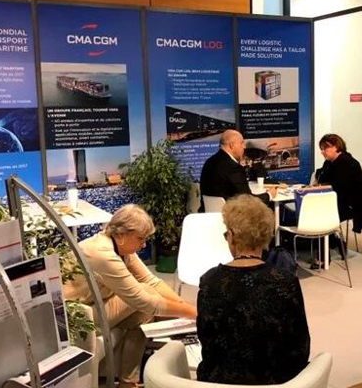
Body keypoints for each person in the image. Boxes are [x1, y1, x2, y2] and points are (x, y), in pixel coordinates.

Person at [63, 204, 197, 388]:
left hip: (96, 305)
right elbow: (143, 299)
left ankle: (128, 382)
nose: (144, 244)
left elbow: (151, 280)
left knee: (144, 313)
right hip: (77, 317)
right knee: (145, 298)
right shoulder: (101, 253)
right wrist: (194, 313)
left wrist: (183, 304)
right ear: (121, 234)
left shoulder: (120, 247)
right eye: (140, 238)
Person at [196, 195, 310, 384]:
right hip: (276, 382)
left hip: (220, 382)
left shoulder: (209, 281)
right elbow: (300, 347)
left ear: (231, 236)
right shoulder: (285, 280)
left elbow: (207, 344)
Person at [200, 129, 276, 209]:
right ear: (232, 145)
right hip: (230, 214)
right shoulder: (232, 167)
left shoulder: (209, 162)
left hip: (209, 213)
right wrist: (269, 195)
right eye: (241, 143)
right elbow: (248, 201)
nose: (244, 147)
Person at [315, 134, 362, 231]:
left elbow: (341, 189)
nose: (322, 152)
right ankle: (323, 236)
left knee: (314, 210)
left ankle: (323, 236)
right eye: (321, 149)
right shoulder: (329, 162)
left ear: (336, 147)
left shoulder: (347, 163)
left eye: (325, 148)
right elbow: (322, 179)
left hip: (350, 205)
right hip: (337, 201)